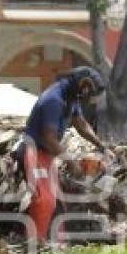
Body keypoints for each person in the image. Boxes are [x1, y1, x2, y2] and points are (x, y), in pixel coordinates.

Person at [13, 66, 112, 243]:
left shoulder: (70, 97)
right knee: (44, 201)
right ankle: (35, 246)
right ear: (84, 86)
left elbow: (81, 124)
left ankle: (57, 245)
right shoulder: (54, 99)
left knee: (59, 203)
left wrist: (101, 146)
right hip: (35, 151)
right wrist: (71, 162)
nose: (88, 100)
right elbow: (48, 138)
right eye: (89, 95)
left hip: (47, 155)